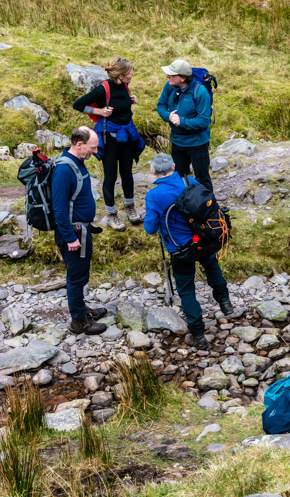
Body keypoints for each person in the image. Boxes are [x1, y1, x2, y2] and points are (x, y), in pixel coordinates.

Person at [143, 154, 234, 351]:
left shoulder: (153, 195)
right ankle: (225, 303)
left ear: (152, 172)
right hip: (203, 239)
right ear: (174, 166)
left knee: (186, 290)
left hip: (180, 249)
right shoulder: (189, 180)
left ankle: (198, 334)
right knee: (212, 267)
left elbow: (150, 228)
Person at [72, 57, 145, 231]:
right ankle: (111, 214)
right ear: (120, 76)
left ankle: (130, 208)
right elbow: (78, 104)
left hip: (126, 136)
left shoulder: (124, 87)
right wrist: (99, 111)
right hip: (109, 139)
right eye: (130, 72)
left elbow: (121, 104)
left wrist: (131, 100)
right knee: (110, 177)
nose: (133, 74)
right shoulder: (103, 89)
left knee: (127, 173)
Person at [51, 127, 107, 335]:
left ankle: (82, 310)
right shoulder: (64, 170)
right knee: (75, 277)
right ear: (79, 144)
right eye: (92, 148)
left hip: (81, 230)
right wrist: (69, 237)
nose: (95, 151)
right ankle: (78, 322)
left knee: (81, 273)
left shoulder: (78, 162)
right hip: (73, 233)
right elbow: (59, 207)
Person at [156, 59, 214, 193]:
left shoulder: (200, 93)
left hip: (197, 144)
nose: (167, 76)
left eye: (171, 74)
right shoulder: (169, 86)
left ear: (182, 78)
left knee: (202, 177)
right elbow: (161, 106)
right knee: (179, 177)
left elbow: (204, 120)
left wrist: (181, 122)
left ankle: (207, 208)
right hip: (177, 142)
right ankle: (184, 205)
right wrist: (168, 116)